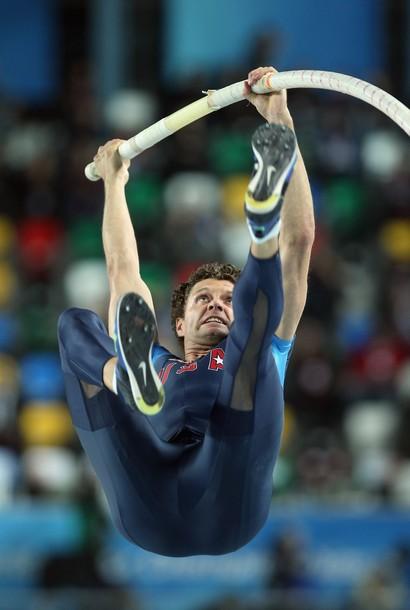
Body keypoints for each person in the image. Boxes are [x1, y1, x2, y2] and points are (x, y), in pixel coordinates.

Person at [58, 66, 315, 557]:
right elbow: (122, 270)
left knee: (252, 351)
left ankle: (262, 235)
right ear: (178, 323)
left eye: (227, 300)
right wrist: (115, 184)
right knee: (75, 325)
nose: (217, 305)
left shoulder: (263, 340)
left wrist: (280, 121)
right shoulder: (158, 360)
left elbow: (300, 242)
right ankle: (123, 379)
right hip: (148, 496)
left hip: (228, 496)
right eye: (204, 299)